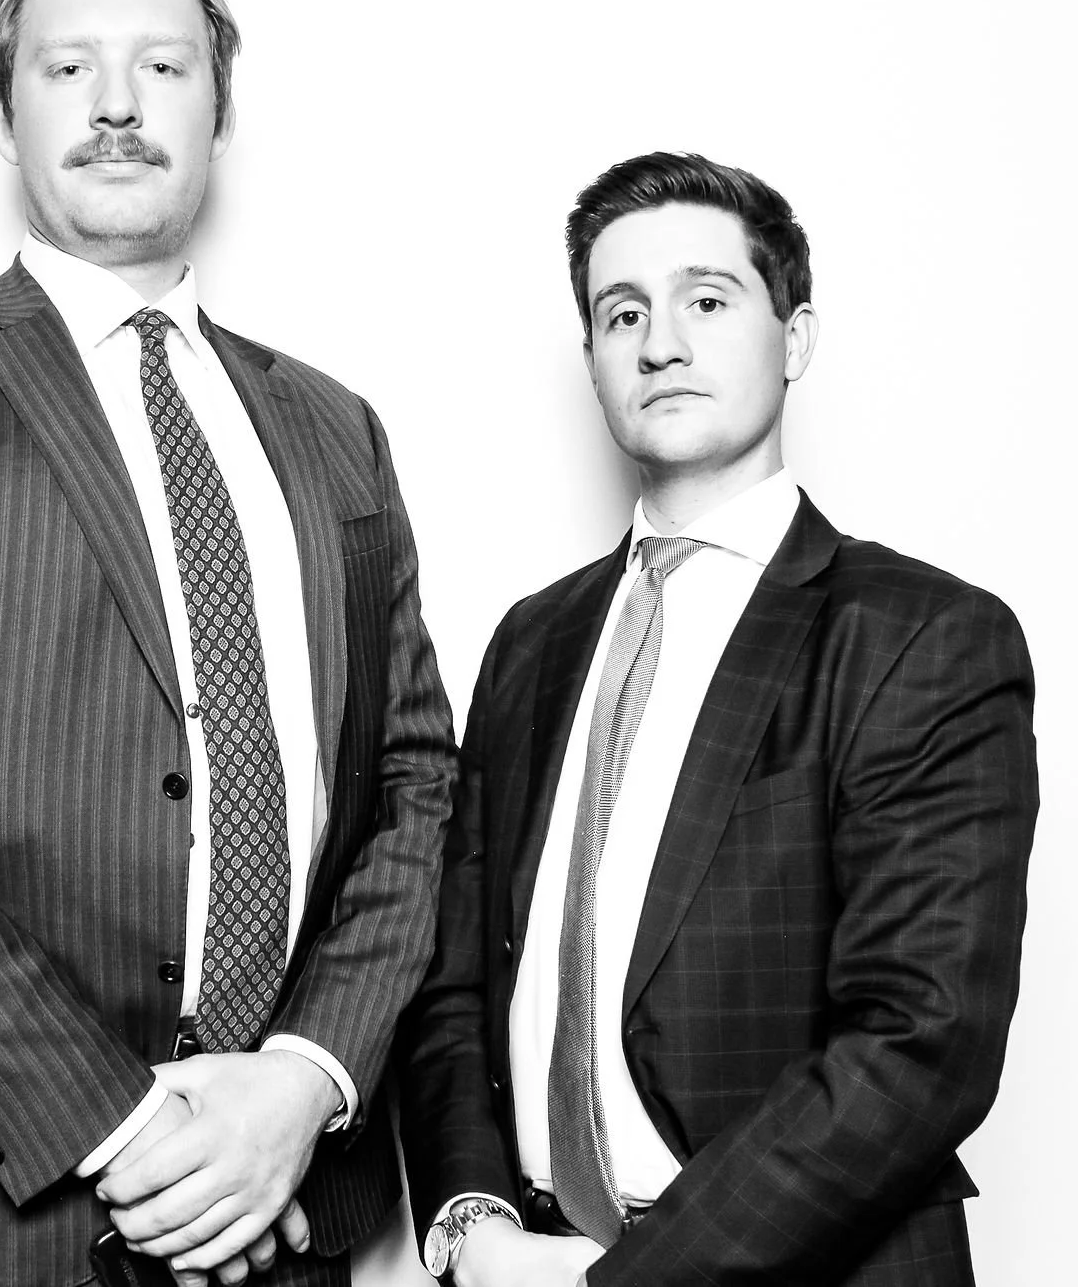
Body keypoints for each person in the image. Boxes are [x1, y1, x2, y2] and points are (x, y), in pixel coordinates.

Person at [0, 0, 455, 1286]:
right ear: (3, 112)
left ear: (219, 110)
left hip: (292, 1210)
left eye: (162, 65)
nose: (118, 102)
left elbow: (414, 786)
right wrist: (132, 1131)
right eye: (69, 65)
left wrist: (301, 1084)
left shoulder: (333, 426)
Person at [400, 151, 1037, 1286]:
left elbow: (918, 1041)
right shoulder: (530, 644)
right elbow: (452, 985)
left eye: (705, 300)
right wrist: (470, 1226)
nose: (659, 342)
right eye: (620, 312)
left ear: (792, 337)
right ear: (593, 359)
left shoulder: (920, 637)